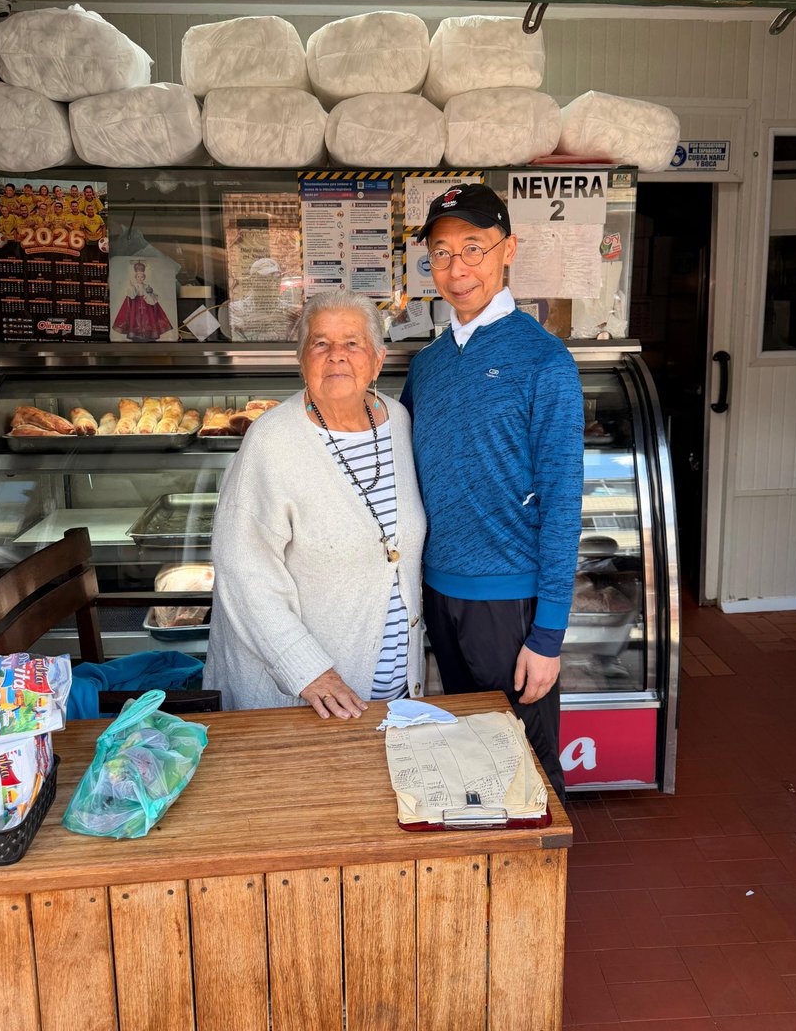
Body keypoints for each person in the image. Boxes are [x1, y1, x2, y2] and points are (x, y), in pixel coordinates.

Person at [401, 183, 583, 803]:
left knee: (526, 768)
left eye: (473, 248)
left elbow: (563, 501)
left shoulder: (545, 361)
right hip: (440, 594)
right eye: (442, 253)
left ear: (508, 250)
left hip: (512, 604)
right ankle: (479, 891)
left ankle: (536, 898)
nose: (457, 269)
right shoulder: (427, 365)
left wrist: (548, 633)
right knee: (468, 761)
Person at [205, 291, 426, 719]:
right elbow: (243, 573)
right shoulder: (271, 441)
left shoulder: (399, 421)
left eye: (352, 343)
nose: (336, 356)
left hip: (392, 698)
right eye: (321, 343)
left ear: (378, 361)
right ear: (302, 359)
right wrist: (308, 671)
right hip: (300, 701)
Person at [112, 259, 173, 341]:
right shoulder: (133, 286)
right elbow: (132, 295)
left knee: (149, 318)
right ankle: (135, 334)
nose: (140, 278)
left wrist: (149, 293)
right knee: (134, 318)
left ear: (144, 277)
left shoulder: (146, 285)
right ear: (135, 277)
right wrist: (132, 287)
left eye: (142, 277)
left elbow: (151, 296)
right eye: (138, 277)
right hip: (135, 304)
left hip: (146, 304)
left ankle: (148, 335)